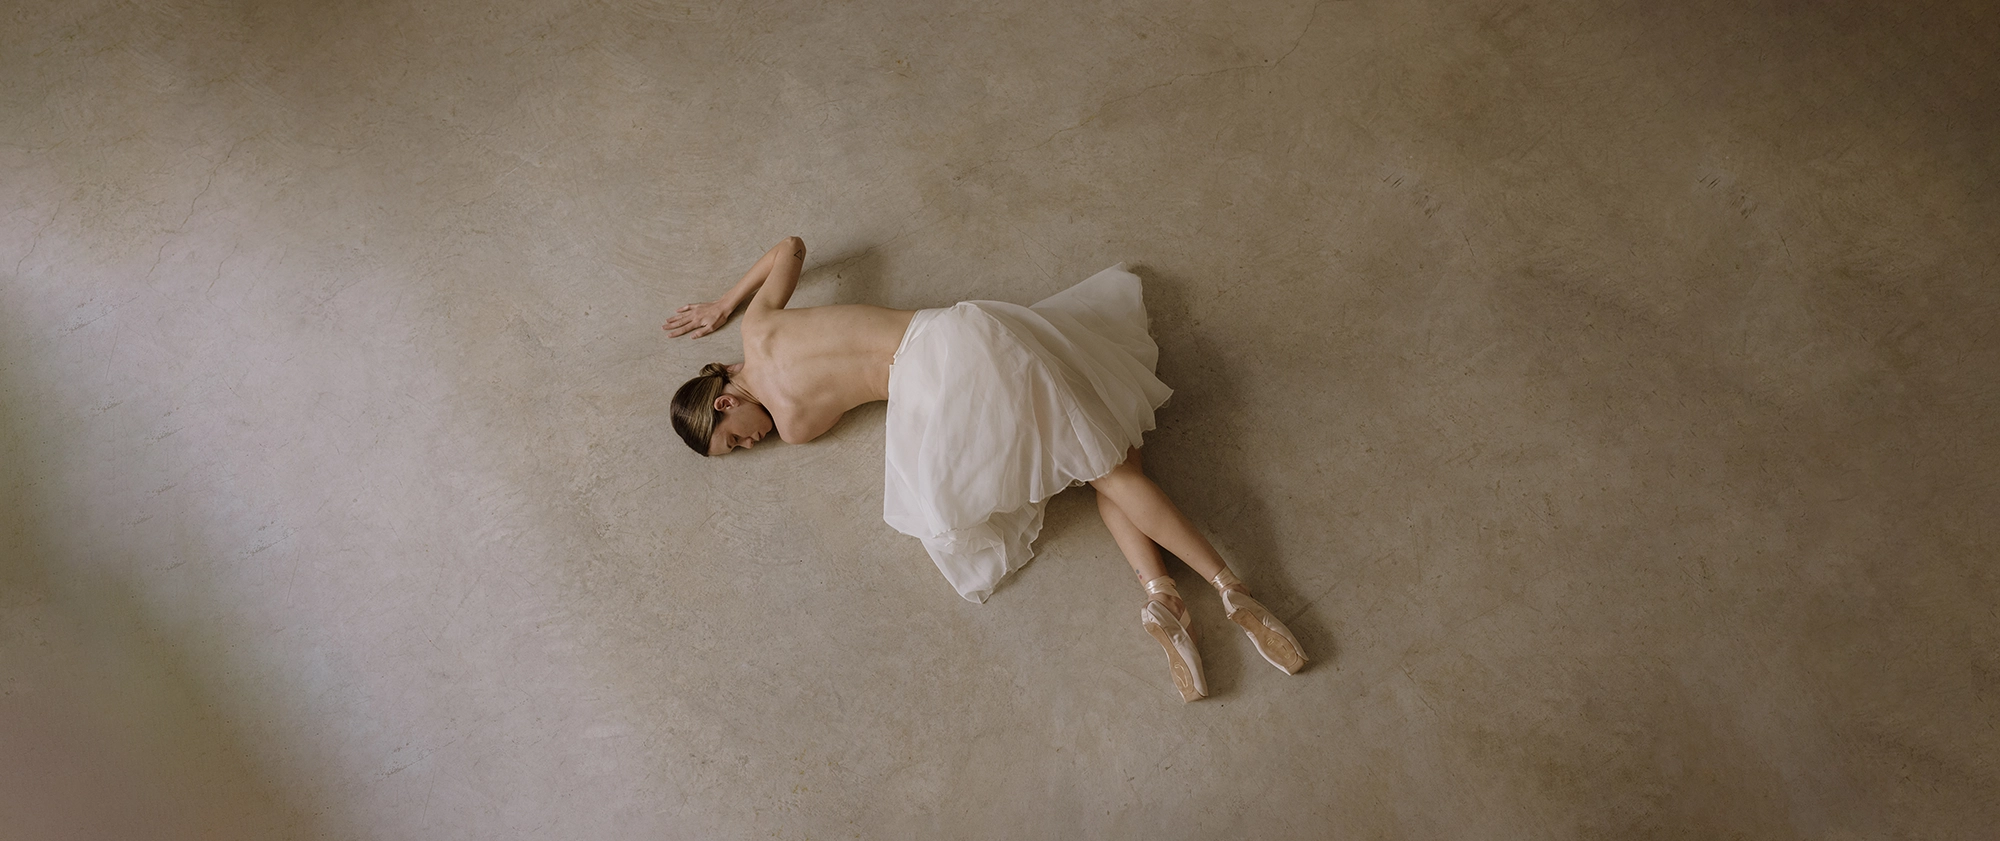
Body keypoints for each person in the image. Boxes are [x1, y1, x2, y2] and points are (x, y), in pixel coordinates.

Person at [664, 236, 1306, 701]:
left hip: (935, 386)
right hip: (959, 330)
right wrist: (727, 304)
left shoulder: (797, 428)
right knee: (1109, 453)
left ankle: (1189, 592)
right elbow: (791, 247)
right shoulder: (759, 328)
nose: (754, 445)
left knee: (1103, 466)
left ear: (722, 404)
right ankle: (1195, 591)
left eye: (735, 442)